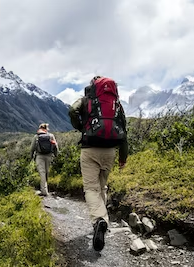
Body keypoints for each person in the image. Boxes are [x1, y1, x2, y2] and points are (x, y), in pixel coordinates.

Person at [69, 76, 128, 251]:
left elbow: (72, 110)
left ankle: (99, 220)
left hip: (89, 149)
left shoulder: (87, 100)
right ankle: (102, 220)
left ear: (93, 86)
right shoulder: (116, 104)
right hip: (110, 151)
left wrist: (81, 127)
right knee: (102, 187)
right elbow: (123, 130)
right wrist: (123, 158)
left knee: (91, 188)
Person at [30, 123, 59, 196]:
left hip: (39, 156)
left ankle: (44, 191)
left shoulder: (36, 136)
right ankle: (45, 189)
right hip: (49, 156)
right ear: (47, 129)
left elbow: (32, 148)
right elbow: (56, 146)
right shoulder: (51, 136)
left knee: (42, 172)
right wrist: (56, 155)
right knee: (47, 172)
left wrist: (31, 157)